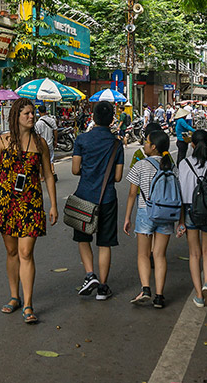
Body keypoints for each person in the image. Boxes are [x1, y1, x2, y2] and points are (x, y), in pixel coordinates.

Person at [0, 98, 59, 324]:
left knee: (26, 253)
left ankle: (28, 304)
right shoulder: (2, 142)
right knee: (12, 252)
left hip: (31, 204)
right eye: (27, 113)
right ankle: (14, 297)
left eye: (33, 113)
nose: (32, 117)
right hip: (5, 203)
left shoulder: (40, 143)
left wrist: (53, 204)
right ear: (16, 117)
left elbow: (49, 175)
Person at [70, 101, 125, 301]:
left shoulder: (82, 140)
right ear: (112, 120)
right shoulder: (116, 143)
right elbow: (117, 177)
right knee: (104, 243)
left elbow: (75, 170)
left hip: (84, 196)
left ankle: (89, 274)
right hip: (107, 198)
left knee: (83, 239)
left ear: (93, 117)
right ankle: (102, 287)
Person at [123, 129, 176, 308]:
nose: (144, 144)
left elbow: (132, 194)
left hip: (146, 212)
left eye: (146, 141)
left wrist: (127, 217)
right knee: (160, 255)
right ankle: (159, 296)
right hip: (166, 213)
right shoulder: (170, 165)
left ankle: (146, 289)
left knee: (143, 255)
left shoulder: (140, 165)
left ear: (153, 147)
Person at [177, 130, 207, 307]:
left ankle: (198, 295)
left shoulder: (184, 164)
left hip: (191, 210)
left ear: (192, 144)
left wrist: (181, 220)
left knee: (194, 254)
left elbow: (181, 195)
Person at [34, 105, 58, 169]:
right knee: (51, 160)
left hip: (42, 144)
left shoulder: (38, 123)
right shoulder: (52, 120)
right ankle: (53, 172)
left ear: (39, 112)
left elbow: (37, 135)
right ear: (46, 111)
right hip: (50, 143)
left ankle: (42, 177)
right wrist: (55, 140)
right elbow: (55, 131)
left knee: (42, 161)